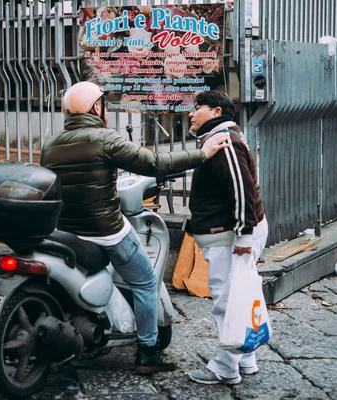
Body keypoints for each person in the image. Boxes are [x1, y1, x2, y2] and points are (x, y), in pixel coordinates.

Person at [40, 81, 231, 374]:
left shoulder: (51, 144)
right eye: (101, 103)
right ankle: (148, 353)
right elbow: (153, 162)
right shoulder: (105, 138)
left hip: (66, 231)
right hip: (105, 231)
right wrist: (202, 154)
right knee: (144, 281)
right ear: (95, 107)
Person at [184, 91, 268, 385]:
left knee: (227, 301)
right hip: (230, 234)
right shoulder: (221, 138)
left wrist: (244, 236)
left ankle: (225, 367)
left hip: (231, 235)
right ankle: (245, 358)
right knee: (239, 295)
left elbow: (241, 189)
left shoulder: (225, 141)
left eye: (198, 108)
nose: (191, 113)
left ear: (216, 111)